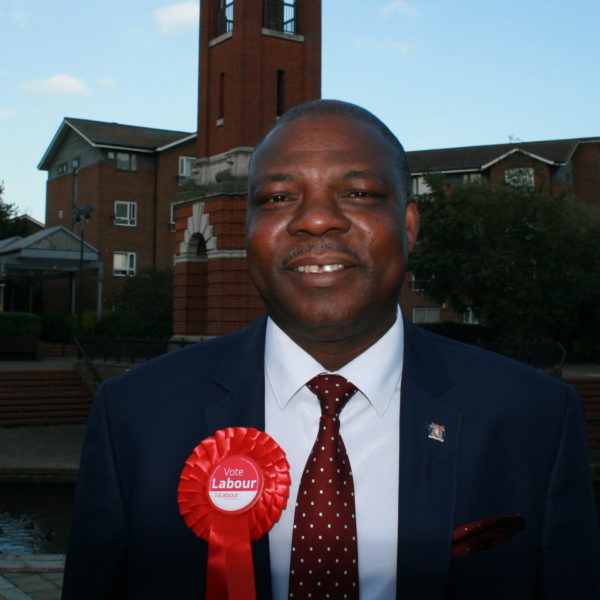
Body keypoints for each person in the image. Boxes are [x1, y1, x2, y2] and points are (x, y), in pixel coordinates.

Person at [62, 100, 600, 600]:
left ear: (409, 225)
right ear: (249, 230)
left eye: (358, 193)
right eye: (278, 198)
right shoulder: (134, 415)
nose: (316, 219)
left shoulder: (533, 416)